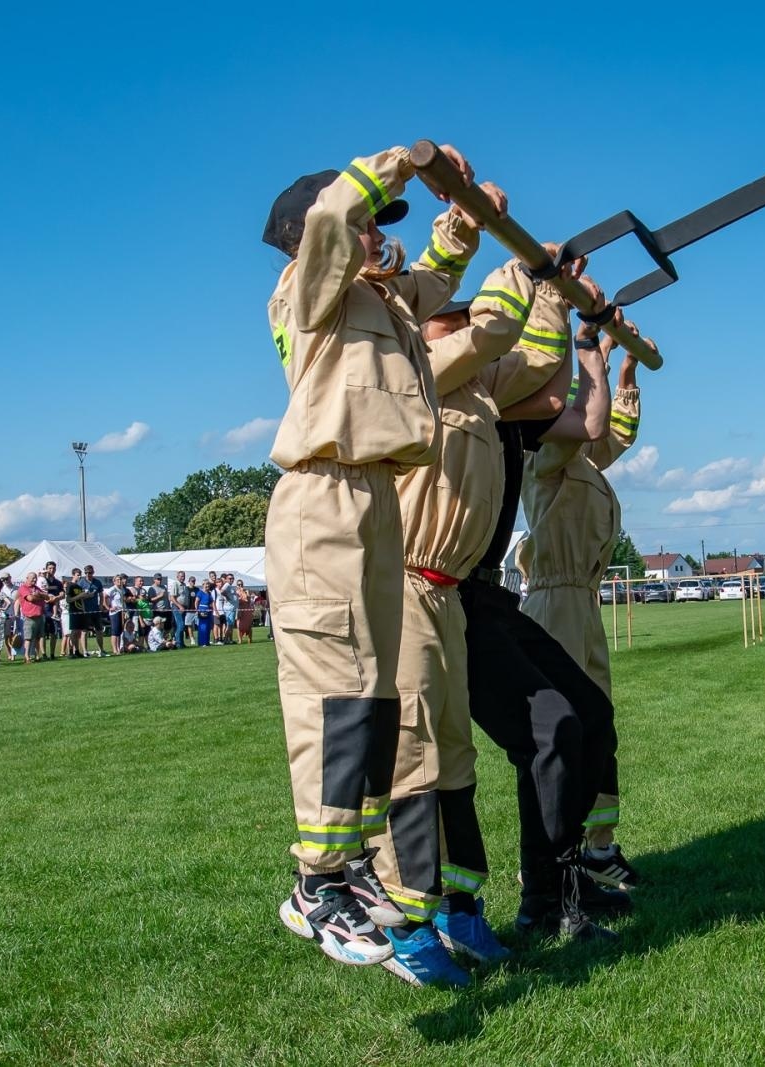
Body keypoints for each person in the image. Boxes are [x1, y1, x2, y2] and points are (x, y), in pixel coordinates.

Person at [262, 142, 489, 972]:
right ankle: (314, 879)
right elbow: (332, 219)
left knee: (371, 692)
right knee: (334, 690)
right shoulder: (306, 286)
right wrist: (399, 162)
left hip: (376, 503)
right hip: (322, 495)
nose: (371, 240)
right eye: (366, 227)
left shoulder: (381, 300)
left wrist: (462, 224)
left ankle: (351, 865)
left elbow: (434, 282)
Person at [368, 254, 573, 986]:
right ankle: (406, 925)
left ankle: (459, 905)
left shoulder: (480, 389)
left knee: (455, 759)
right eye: (448, 314)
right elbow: (491, 337)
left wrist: (552, 295)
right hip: (403, 587)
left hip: (449, 594)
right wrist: (523, 270)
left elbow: (544, 362)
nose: (458, 323)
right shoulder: (420, 369)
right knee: (413, 762)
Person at [456, 278, 631, 944]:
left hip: (483, 594)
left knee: (590, 715)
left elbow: (573, 411)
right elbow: (551, 390)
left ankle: (565, 883)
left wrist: (586, 345)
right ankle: (544, 897)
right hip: (443, 595)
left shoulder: (495, 401)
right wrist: (554, 304)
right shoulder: (446, 390)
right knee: (551, 731)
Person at [517, 320, 648, 890]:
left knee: (599, 727)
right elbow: (580, 421)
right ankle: (555, 859)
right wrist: (587, 351)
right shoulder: (547, 457)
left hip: (582, 604)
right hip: (554, 603)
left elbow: (614, 433)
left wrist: (624, 370)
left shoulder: (585, 465)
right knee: (568, 731)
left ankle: (597, 846)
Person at [17, 571, 48, 663]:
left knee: (39, 637)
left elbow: (46, 597)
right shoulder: (23, 588)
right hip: (29, 617)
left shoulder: (37, 588)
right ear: (27, 578)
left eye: (35, 578)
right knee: (28, 638)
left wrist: (38, 595)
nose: (34, 580)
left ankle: (37, 656)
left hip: (39, 615)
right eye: (32, 578)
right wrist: (39, 597)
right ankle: (27, 656)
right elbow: (30, 598)